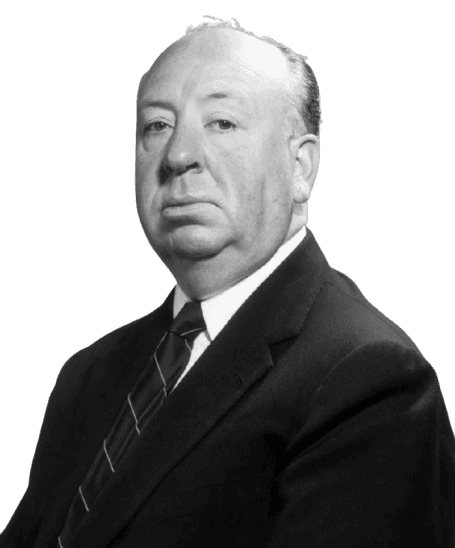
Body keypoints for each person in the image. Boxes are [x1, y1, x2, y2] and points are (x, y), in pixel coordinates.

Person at [1, 18, 454, 548]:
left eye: (221, 122)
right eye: (156, 126)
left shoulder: (369, 379)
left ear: (301, 166)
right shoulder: (88, 374)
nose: (177, 156)